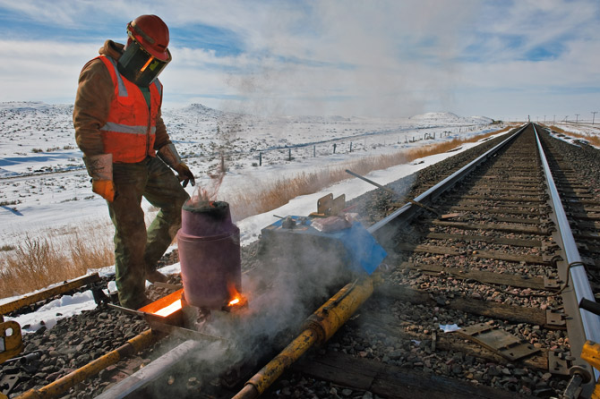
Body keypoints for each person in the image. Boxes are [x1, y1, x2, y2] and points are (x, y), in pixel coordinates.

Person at [73, 15, 194, 309]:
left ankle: (146, 265)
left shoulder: (154, 84)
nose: (149, 64)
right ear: (130, 42)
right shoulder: (101, 71)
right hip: (116, 167)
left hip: (145, 161)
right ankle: (133, 303)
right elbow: (86, 126)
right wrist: (101, 176)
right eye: (146, 55)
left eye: (155, 59)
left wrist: (177, 164)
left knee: (182, 205)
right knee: (131, 234)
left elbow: (157, 128)